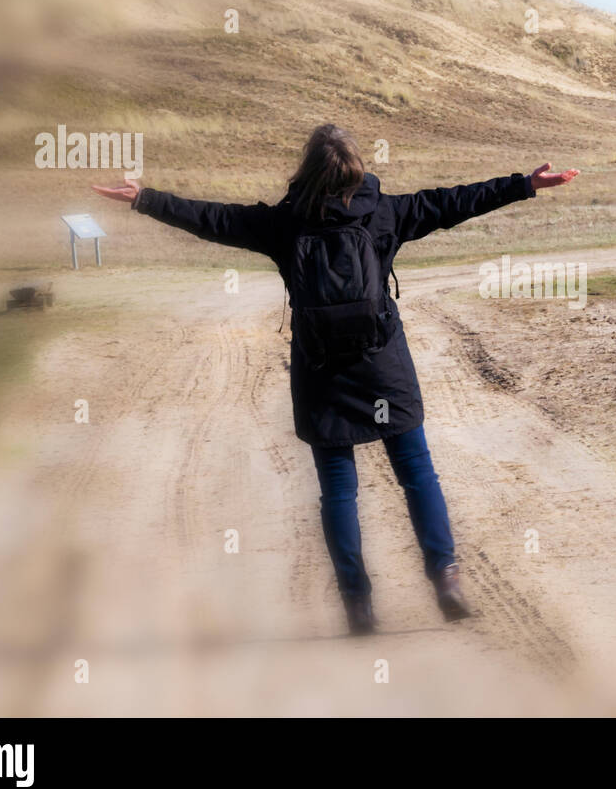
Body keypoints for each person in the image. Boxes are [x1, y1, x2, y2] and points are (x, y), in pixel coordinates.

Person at [92, 124, 579, 634]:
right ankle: (447, 577)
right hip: (382, 367)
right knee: (417, 473)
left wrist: (145, 198)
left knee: (339, 492)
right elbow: (453, 202)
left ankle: (358, 604)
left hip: (321, 371)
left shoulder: (284, 224)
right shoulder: (385, 212)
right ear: (357, 169)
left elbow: (212, 218)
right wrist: (523, 184)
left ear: (306, 170)